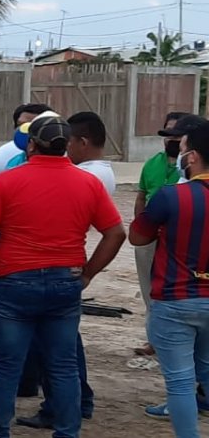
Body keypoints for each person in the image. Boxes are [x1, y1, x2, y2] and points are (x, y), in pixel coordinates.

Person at [0, 115, 126, 438]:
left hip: (14, 280)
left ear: (32, 145)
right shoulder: (87, 183)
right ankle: (67, 432)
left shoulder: (7, 181)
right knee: (63, 366)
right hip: (65, 282)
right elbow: (115, 233)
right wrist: (87, 274)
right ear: (67, 146)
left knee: (7, 366)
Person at [16, 111, 115, 430]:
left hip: (56, 270)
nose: (63, 147)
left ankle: (63, 406)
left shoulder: (87, 176)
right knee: (65, 344)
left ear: (82, 142)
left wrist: (87, 273)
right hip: (65, 270)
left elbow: (113, 232)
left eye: (68, 141)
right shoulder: (94, 172)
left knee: (60, 350)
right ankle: (73, 402)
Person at [130, 122, 209, 433]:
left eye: (182, 147)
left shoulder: (171, 196)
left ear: (190, 157)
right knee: (205, 369)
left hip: (175, 300)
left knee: (179, 381)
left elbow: (138, 236)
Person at [134, 113, 198, 356]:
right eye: (167, 135)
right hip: (151, 235)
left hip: (181, 239)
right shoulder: (152, 163)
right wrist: (142, 225)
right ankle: (154, 338)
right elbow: (142, 196)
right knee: (150, 289)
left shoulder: (192, 172)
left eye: (176, 136)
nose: (170, 141)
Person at [0, 103, 52, 186]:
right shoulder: (1, 155)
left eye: (33, 126)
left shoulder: (64, 153)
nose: (26, 131)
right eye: (21, 125)